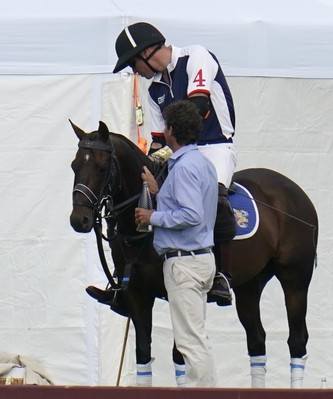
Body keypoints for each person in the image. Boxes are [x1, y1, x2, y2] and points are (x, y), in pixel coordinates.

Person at [87, 22, 236, 307]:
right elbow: (158, 140)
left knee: (214, 196)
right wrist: (149, 165)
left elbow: (199, 109)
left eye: (133, 64)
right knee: (138, 190)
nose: (134, 72)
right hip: (177, 152)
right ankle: (127, 277)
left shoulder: (197, 57)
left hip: (215, 146)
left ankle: (223, 276)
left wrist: (169, 152)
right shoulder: (150, 86)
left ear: (146, 52)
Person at [135, 100, 218, 386]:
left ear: (171, 130)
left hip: (184, 262)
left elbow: (191, 214)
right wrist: (160, 192)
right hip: (202, 258)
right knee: (196, 338)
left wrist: (152, 216)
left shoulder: (182, 168)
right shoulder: (202, 164)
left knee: (190, 343)